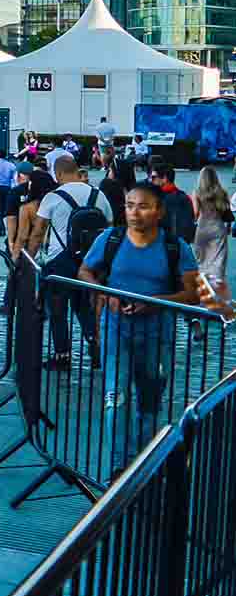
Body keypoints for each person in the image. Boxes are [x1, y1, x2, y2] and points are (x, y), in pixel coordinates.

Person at [77, 182, 199, 478]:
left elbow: (192, 293)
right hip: (116, 330)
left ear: (158, 211)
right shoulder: (110, 238)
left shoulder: (175, 248)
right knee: (114, 396)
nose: (134, 212)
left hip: (158, 335)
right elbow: (84, 270)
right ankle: (119, 466)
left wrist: (157, 303)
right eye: (130, 205)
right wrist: (105, 293)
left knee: (150, 400)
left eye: (143, 206)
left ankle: (143, 460)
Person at [34, 153, 112, 368]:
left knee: (57, 309)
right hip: (90, 261)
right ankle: (94, 345)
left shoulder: (53, 197)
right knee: (84, 306)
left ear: (58, 173)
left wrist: (28, 258)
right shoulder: (98, 196)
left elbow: (38, 232)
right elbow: (110, 227)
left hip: (59, 260)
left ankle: (62, 355)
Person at [192, 166, 232, 298]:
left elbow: (196, 213)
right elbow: (226, 212)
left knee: (201, 260)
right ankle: (217, 292)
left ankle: (202, 291)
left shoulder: (197, 192)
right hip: (217, 227)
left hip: (202, 228)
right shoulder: (222, 192)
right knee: (218, 261)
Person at [149, 162, 196, 246]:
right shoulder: (185, 197)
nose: (150, 180)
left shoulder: (158, 200)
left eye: (153, 177)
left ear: (164, 178)